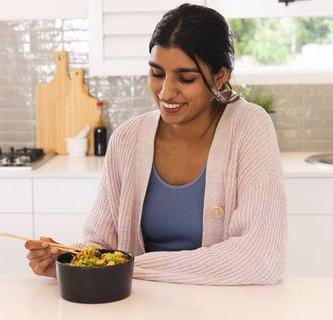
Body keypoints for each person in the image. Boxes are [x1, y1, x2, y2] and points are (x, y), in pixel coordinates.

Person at [25, 3, 286, 285]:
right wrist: (71, 260)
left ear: (220, 76)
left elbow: (261, 259)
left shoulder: (249, 127)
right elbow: (101, 243)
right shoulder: (128, 138)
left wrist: (126, 266)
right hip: (139, 306)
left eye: (186, 78)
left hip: (222, 306)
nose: (166, 91)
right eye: (157, 73)